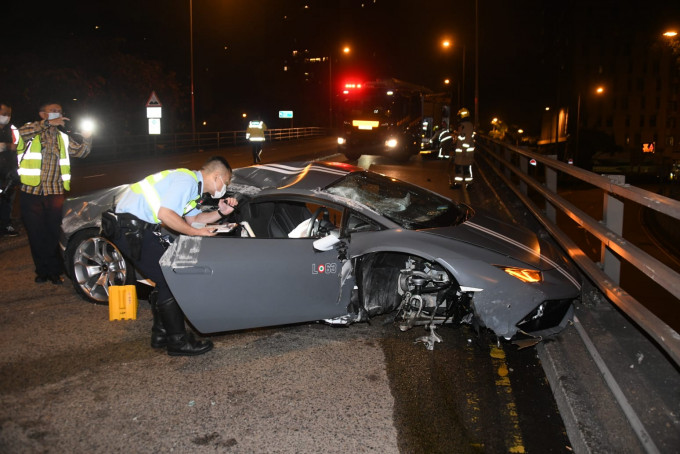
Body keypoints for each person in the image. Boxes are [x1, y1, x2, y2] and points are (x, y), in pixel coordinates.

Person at [106, 156, 238, 356]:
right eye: (226, 182)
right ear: (217, 176)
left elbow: (194, 220)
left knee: (164, 279)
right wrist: (196, 233)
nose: (225, 187)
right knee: (170, 279)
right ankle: (178, 342)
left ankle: (160, 335)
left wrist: (221, 213)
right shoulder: (187, 181)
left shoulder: (193, 189)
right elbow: (166, 214)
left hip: (135, 230)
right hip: (131, 230)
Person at [18, 102, 92, 283]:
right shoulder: (30, 130)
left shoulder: (62, 137)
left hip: (55, 192)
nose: (57, 113)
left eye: (59, 111)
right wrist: (48, 124)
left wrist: (87, 138)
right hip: (31, 192)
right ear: (42, 114)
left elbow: (82, 152)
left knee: (52, 233)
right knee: (36, 234)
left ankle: (54, 271)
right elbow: (21, 133)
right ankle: (41, 271)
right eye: (52, 111)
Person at [0, 103, 20, 237]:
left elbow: (18, 145)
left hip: (8, 172)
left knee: (7, 200)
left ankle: (5, 225)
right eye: (4, 113)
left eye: (9, 114)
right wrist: (7, 146)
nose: (6, 117)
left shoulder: (11, 129)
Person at [447, 108, 475, 188]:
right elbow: (462, 137)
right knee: (458, 168)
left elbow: (467, 139)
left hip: (466, 152)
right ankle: (458, 183)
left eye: (459, 116)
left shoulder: (468, 125)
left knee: (466, 169)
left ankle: (469, 184)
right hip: (462, 152)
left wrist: (463, 150)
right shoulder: (463, 125)